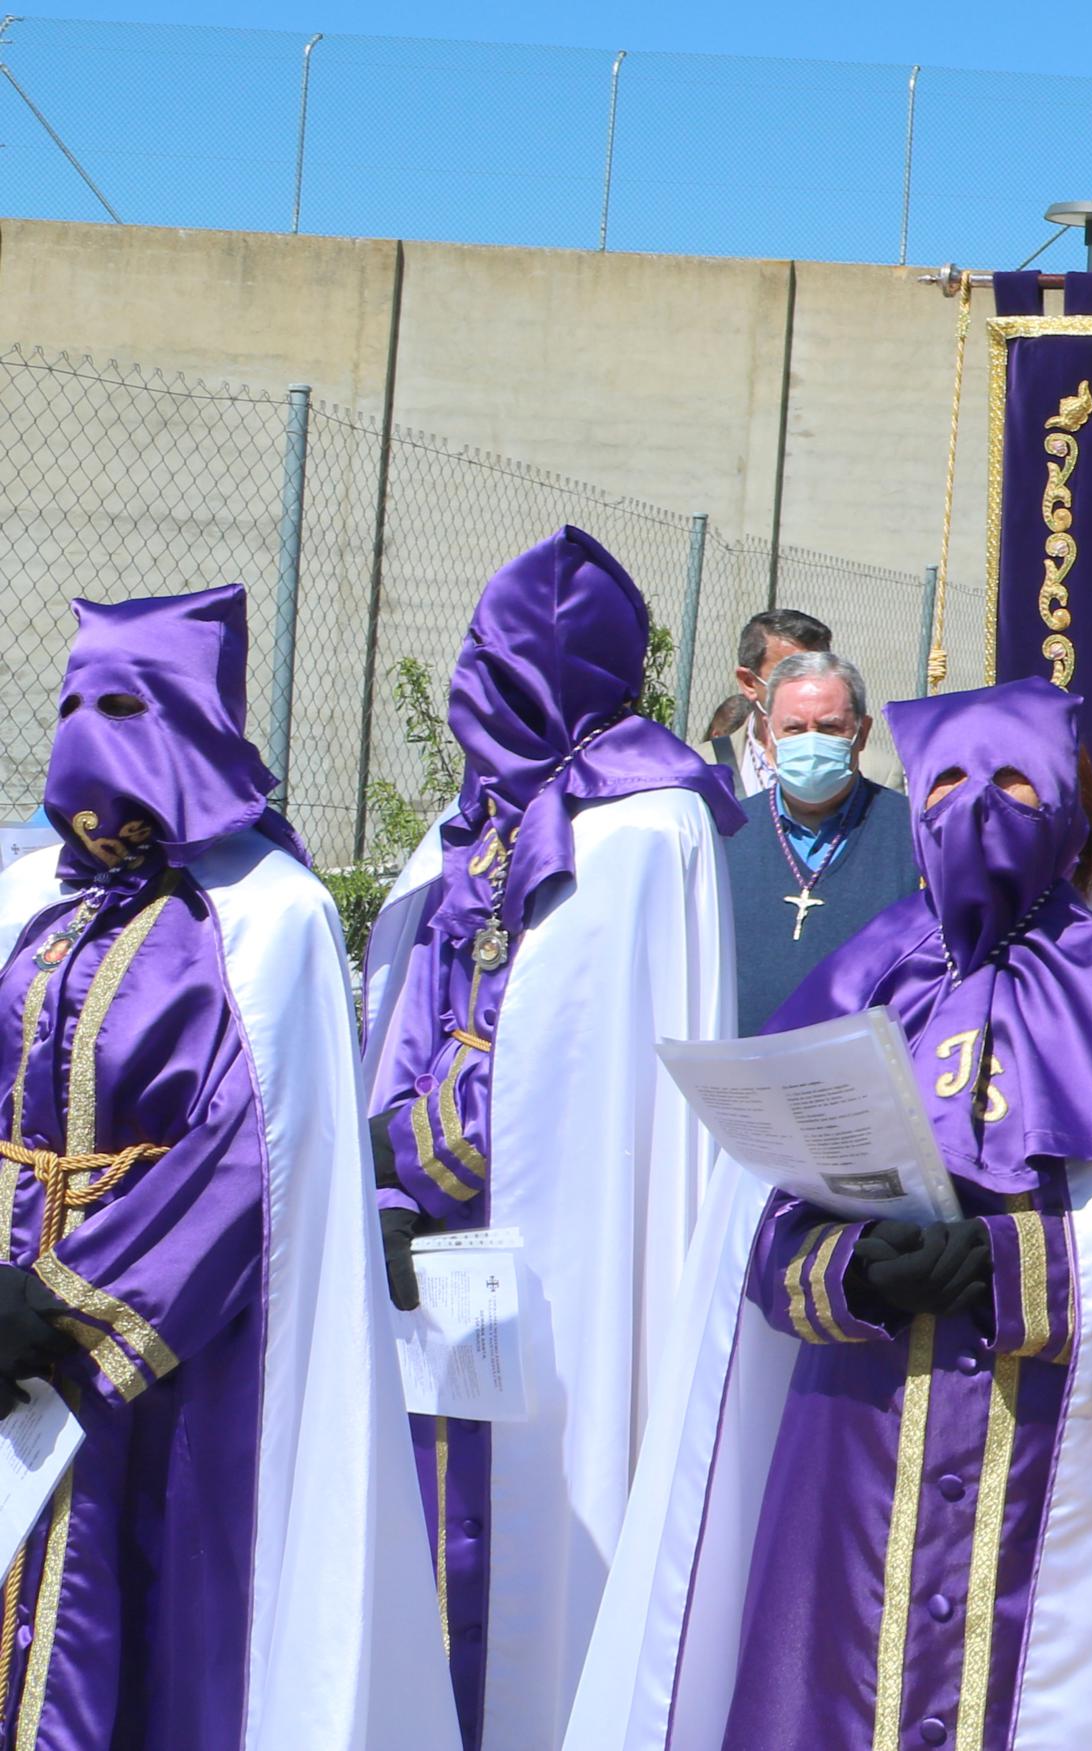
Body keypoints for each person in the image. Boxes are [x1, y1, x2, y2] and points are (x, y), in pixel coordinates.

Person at [564, 681, 1092, 1750]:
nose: (976, 809)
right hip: (853, 1443)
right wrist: (850, 1269)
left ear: (1073, 808)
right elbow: (753, 1229)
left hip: (1060, 1463)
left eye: (1014, 782)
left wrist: (1006, 1265)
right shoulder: (862, 976)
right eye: (945, 780)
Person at [1, 587, 457, 1746]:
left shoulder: (266, 911)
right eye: (74, 700)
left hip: (150, 1349)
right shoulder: (28, 896)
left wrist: (63, 1303)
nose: (88, 728)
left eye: (127, 703)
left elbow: (254, 1157)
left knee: (115, 1614)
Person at [364, 527, 739, 1751]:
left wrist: (422, 1148)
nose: (472, 678)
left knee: (554, 1521)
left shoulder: (647, 827)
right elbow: (392, 1021)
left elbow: (599, 1071)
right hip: (422, 1257)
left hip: (565, 1256)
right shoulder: (450, 832)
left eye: (494, 656)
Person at [718, 648, 917, 1035]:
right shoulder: (725, 832)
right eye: (793, 728)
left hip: (867, 1076)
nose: (811, 742)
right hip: (743, 1070)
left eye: (829, 728)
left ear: (862, 733)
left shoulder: (915, 835)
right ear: (769, 734)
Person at [700, 605, 830, 802]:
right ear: (749, 683)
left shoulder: (874, 772)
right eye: (791, 676)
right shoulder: (701, 767)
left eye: (820, 674)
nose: (808, 689)